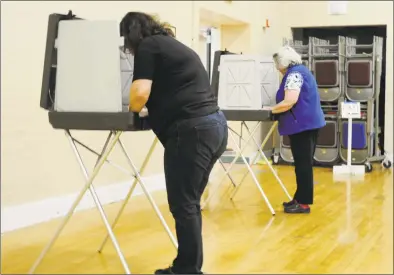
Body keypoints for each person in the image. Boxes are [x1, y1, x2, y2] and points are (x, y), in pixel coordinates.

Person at [120, 12, 228, 274]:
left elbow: (140, 95)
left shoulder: (148, 46)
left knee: (183, 204)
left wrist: (132, 104)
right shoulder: (171, 44)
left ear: (132, 33)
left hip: (191, 130)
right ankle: (189, 265)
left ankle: (187, 269)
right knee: (189, 203)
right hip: (215, 125)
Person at [270, 46, 326, 214]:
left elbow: (290, 101)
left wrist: (270, 110)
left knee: (303, 165)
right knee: (302, 164)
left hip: (302, 126)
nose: (276, 67)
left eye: (276, 63)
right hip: (308, 124)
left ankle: (303, 203)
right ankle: (299, 198)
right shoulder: (301, 71)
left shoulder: (293, 75)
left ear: (283, 63)